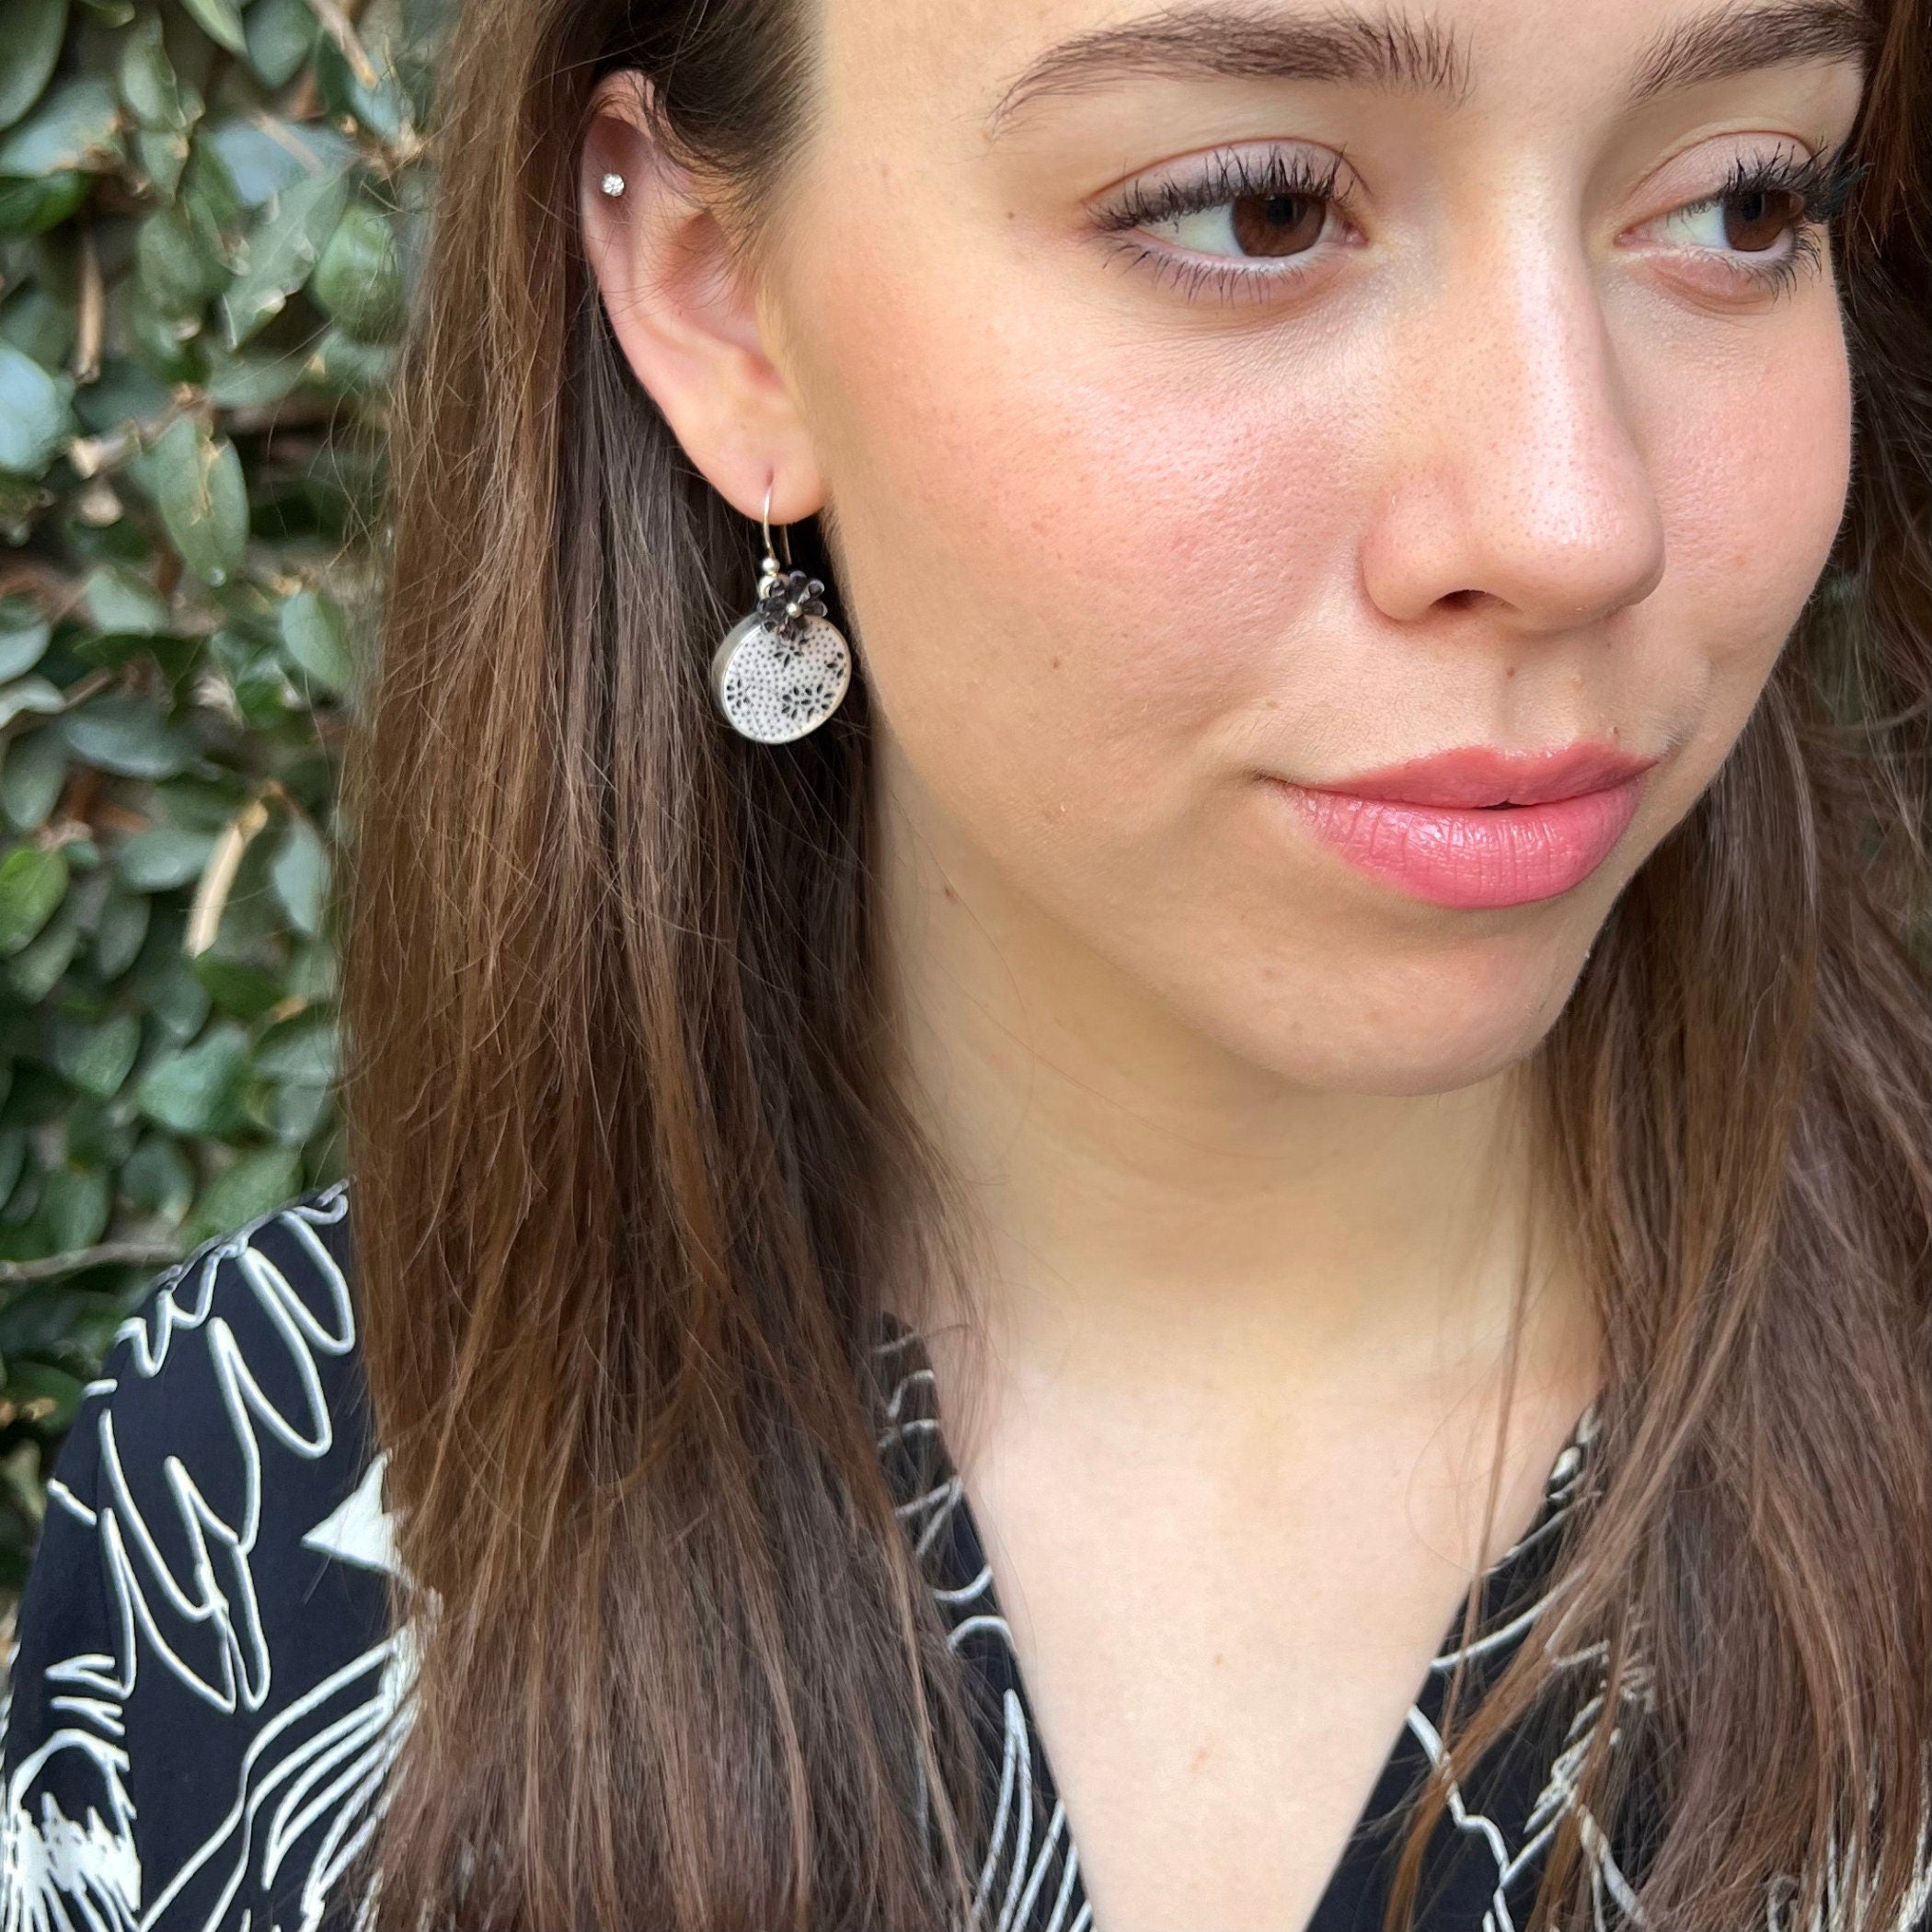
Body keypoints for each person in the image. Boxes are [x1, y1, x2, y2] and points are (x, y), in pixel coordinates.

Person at [5, 0, 1928, 1926]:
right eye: (1256, 210)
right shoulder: (244, 1509)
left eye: (1747, 204)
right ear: (715, 294)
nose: (1578, 519)